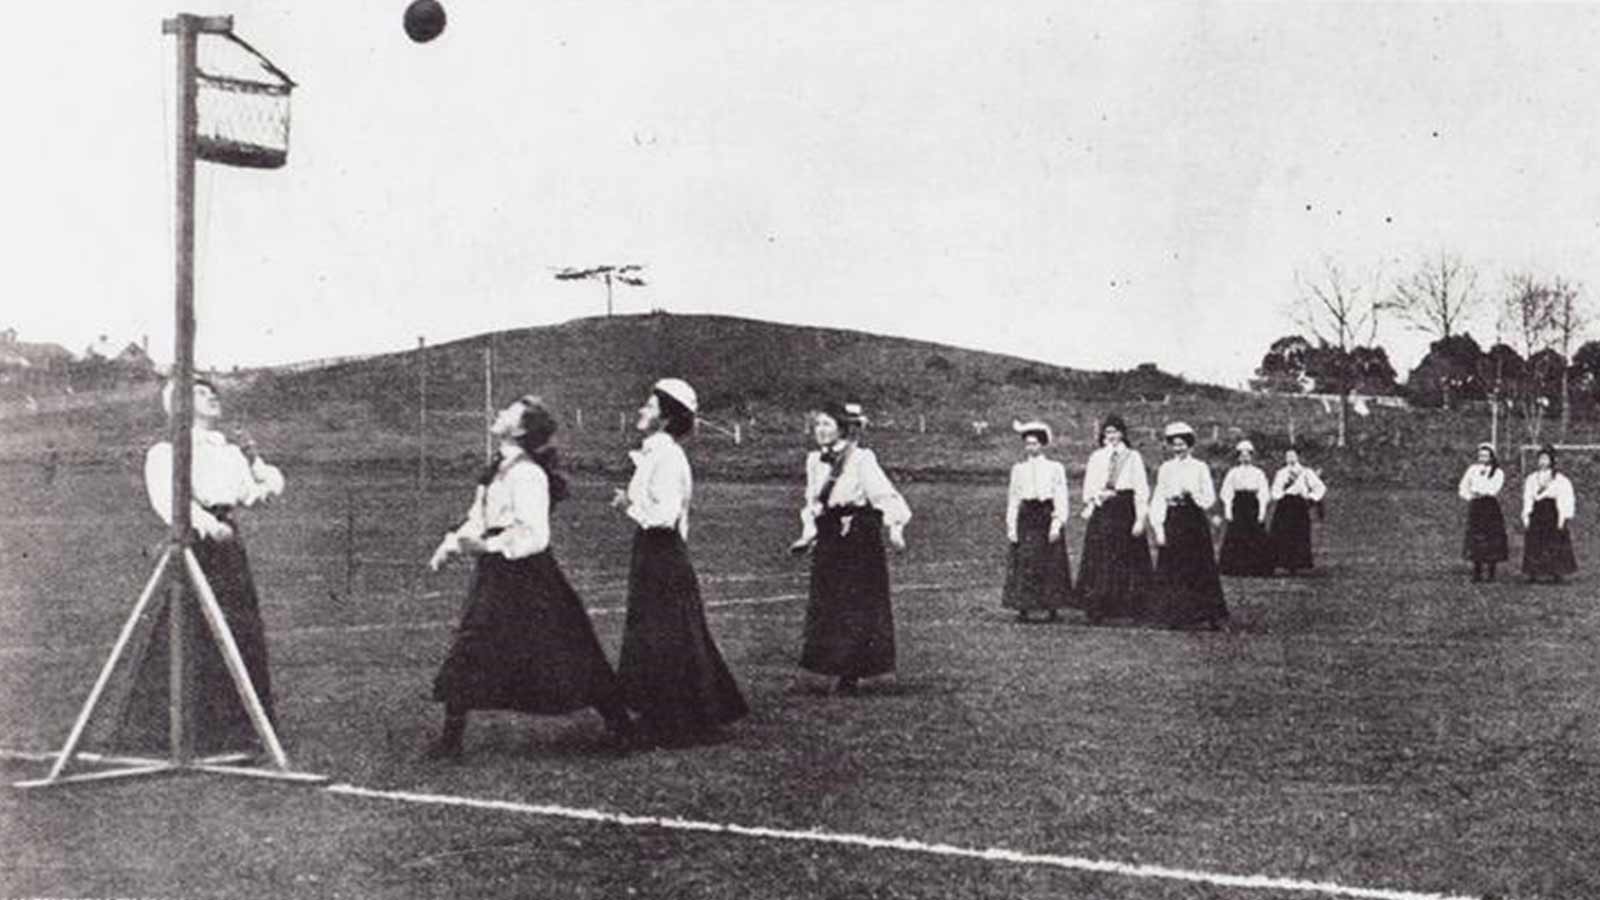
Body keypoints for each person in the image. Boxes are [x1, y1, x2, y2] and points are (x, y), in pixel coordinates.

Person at [424, 396, 635, 760]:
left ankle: (622, 726)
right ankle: (450, 741)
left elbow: (536, 534)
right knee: (471, 645)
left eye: (509, 411)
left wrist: (486, 547)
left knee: (571, 650)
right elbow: (478, 518)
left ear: (521, 429)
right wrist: (450, 545)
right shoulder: (499, 468)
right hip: (497, 574)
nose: (499, 413)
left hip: (531, 576)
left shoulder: (527, 474)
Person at [117, 378, 284, 753]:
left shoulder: (228, 451)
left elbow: (251, 494)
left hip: (228, 546)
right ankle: (178, 730)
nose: (212, 396)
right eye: (201, 393)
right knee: (190, 629)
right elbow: (170, 500)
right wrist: (208, 527)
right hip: (195, 545)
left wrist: (263, 473)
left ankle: (240, 728)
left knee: (239, 627)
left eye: (213, 392)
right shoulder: (167, 451)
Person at [612, 378, 748, 745]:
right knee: (663, 632)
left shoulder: (668, 457)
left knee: (666, 633)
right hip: (652, 549)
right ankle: (671, 714)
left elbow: (665, 516)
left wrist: (629, 506)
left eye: (650, 405)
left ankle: (676, 719)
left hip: (663, 551)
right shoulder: (656, 453)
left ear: (667, 417)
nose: (642, 409)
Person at [790, 402, 912, 693]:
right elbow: (814, 504)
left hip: (858, 537)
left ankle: (850, 675)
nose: (820, 430)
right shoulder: (813, 461)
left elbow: (885, 496)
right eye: (818, 424)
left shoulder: (860, 458)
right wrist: (807, 536)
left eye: (827, 424)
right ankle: (825, 669)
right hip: (830, 536)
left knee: (855, 605)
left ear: (842, 428)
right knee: (827, 604)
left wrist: (896, 528)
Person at [1148, 422, 1228, 630]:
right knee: (1173, 566)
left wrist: (1193, 494)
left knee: (1199, 565)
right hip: (1173, 518)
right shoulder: (1166, 468)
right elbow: (1159, 497)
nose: (1178, 448)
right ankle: (1174, 614)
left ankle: (1208, 614)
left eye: (1182, 444)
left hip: (1193, 520)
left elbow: (1209, 497)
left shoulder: (1200, 467)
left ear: (1190, 445)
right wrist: (1159, 527)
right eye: (1174, 445)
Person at [1076, 414, 1153, 624]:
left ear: (1122, 433)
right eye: (1108, 432)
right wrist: (1098, 496)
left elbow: (1141, 488)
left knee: (1127, 559)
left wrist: (1140, 519)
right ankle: (1098, 609)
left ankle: (1131, 609)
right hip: (1103, 512)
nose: (1111, 436)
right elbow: (1088, 488)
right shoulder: (1097, 457)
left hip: (1125, 511)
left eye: (1115, 432)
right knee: (1100, 559)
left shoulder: (1133, 457)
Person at [1000, 419, 1073, 622]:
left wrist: (1057, 523)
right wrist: (1012, 526)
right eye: (1028, 443)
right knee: (1026, 561)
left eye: (1034, 443)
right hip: (1027, 516)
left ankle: (1052, 608)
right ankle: (1024, 607)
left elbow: (1061, 496)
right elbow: (1013, 498)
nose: (1030, 447)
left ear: (1042, 445)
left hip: (1045, 514)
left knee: (1050, 562)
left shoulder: (1054, 468)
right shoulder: (1019, 469)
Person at [1520, 444, 1577, 584]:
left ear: (1552, 460)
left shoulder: (1560, 479)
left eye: (1546, 459)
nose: (1543, 462)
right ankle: (1533, 573)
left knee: (1555, 542)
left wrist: (1562, 518)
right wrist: (1526, 514)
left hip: (1552, 512)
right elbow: (1528, 497)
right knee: (1535, 542)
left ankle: (1557, 573)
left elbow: (1565, 498)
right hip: (1538, 512)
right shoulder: (1532, 478)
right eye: (1540, 459)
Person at [1217, 440, 1273, 576]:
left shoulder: (1258, 473)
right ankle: (1235, 568)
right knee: (1237, 534)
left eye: (1247, 455)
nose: (1245, 457)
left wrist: (1261, 511)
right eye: (1242, 455)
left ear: (1252, 457)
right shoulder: (1233, 473)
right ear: (1238, 457)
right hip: (1238, 504)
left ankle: (1257, 568)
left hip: (1252, 504)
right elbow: (1226, 492)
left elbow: (1263, 492)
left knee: (1255, 534)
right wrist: (1228, 510)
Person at [1268, 448, 1326, 574]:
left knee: (1299, 534)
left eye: (1293, 455)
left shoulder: (1306, 472)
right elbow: (1275, 489)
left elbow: (1319, 487)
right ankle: (1282, 562)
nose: (1290, 458)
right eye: (1288, 455)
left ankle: (1298, 563)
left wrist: (1312, 498)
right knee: (1282, 533)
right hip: (1285, 505)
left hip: (1299, 505)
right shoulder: (1281, 473)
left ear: (1298, 456)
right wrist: (1279, 496)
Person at [1458, 442, 1510, 583]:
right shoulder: (1472, 470)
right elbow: (1463, 486)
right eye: (1480, 455)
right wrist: (1470, 496)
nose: (1482, 458)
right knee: (1476, 538)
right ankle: (1477, 572)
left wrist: (1479, 490)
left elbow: (1493, 489)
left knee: (1491, 538)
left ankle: (1491, 572)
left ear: (1492, 457)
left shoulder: (1498, 472)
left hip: (1490, 506)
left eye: (1486, 455)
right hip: (1476, 506)